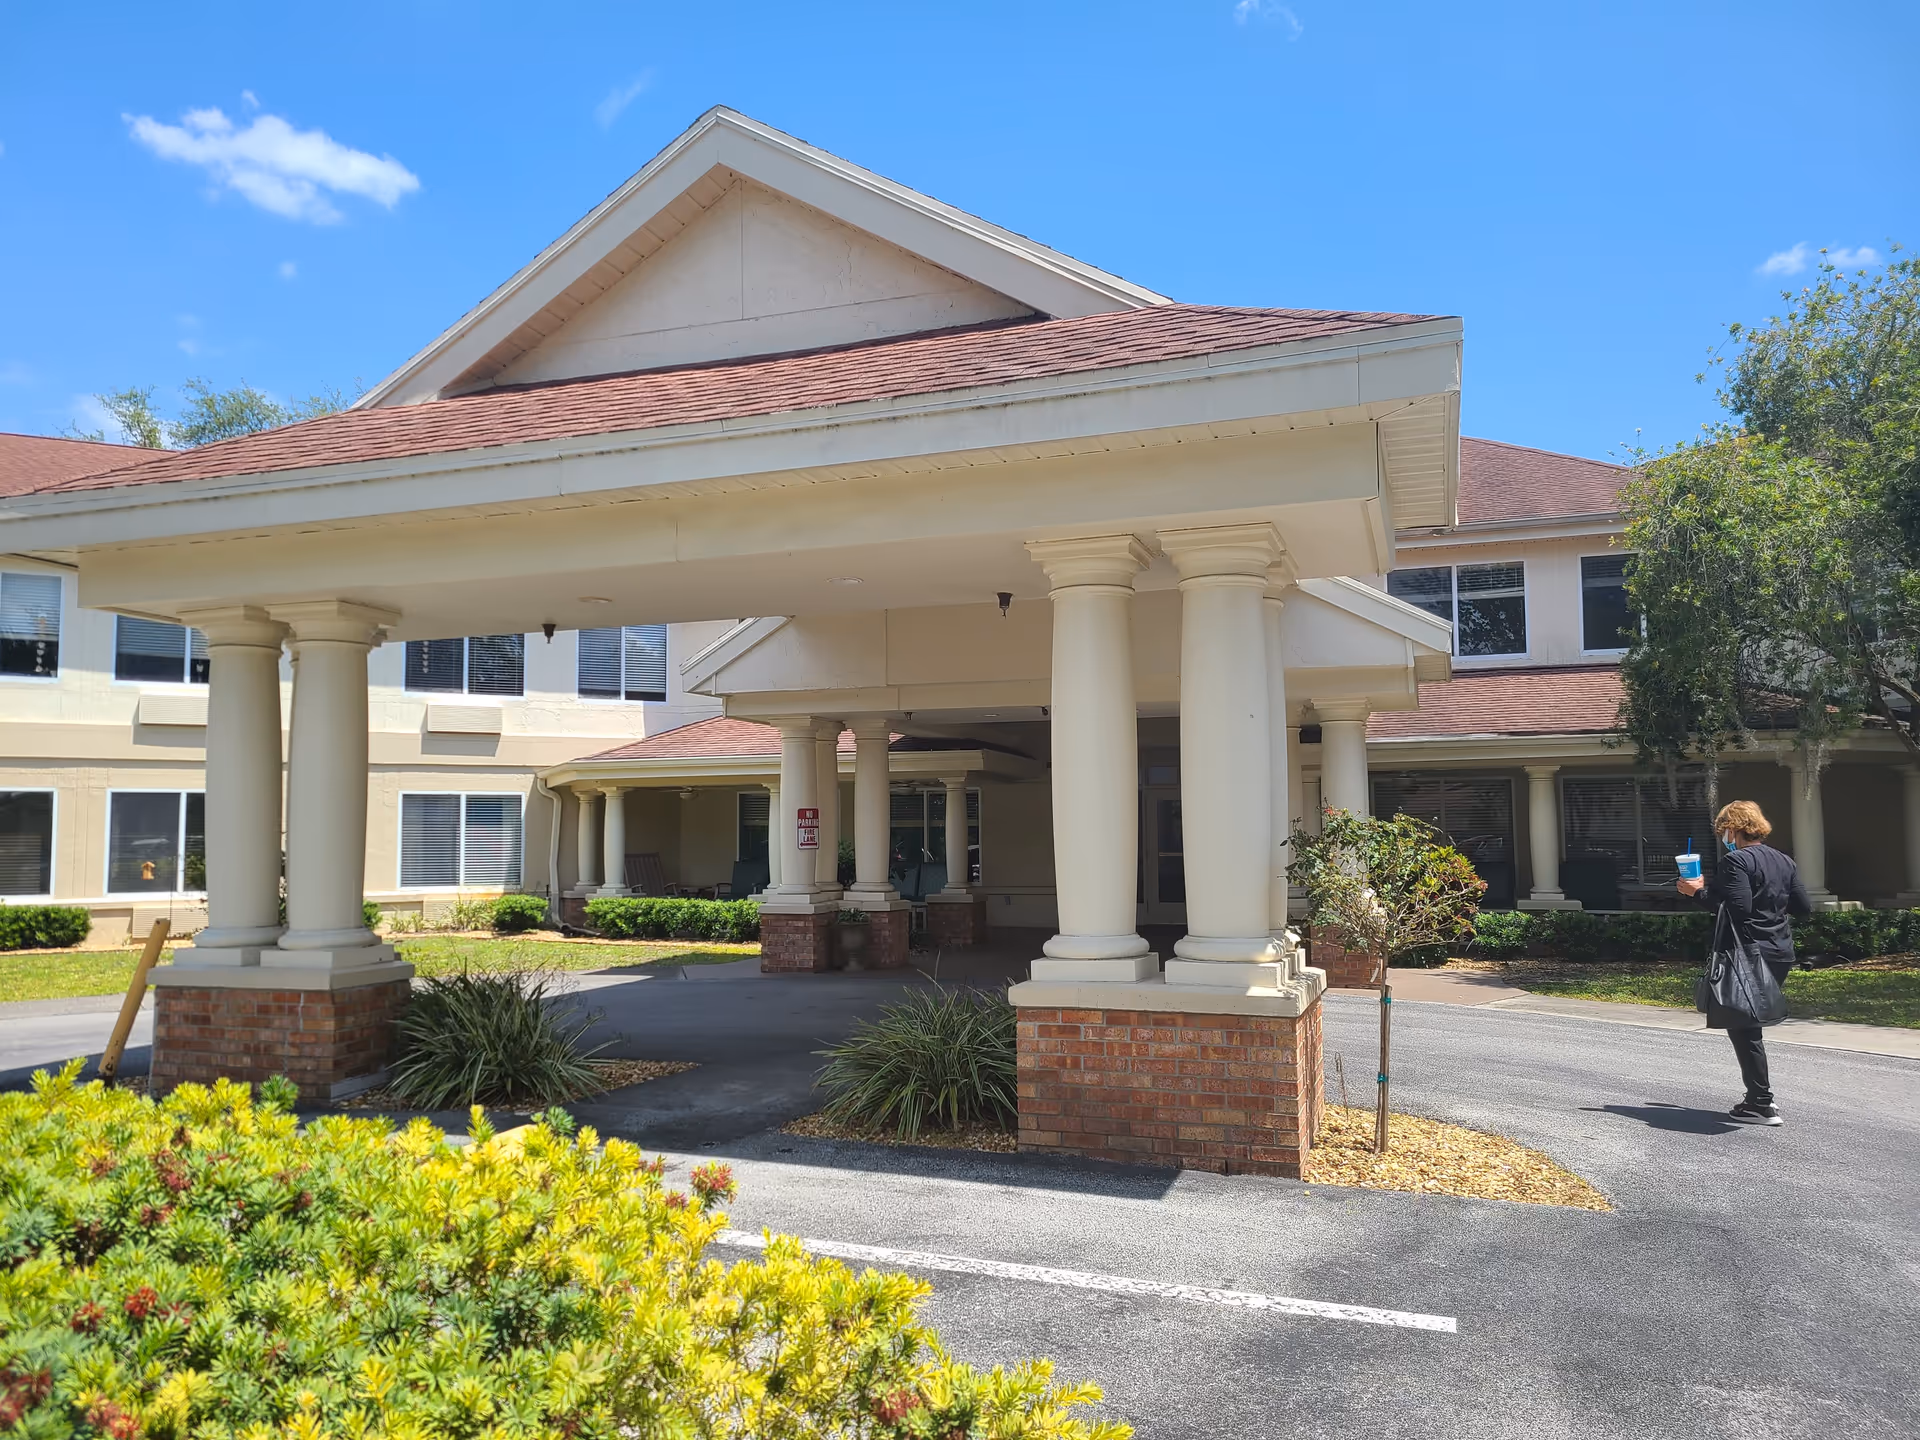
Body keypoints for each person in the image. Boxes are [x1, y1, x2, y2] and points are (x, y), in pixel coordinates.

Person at [1676, 800, 1809, 1126]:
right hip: (1780, 952)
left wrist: (1697, 894)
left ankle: (1761, 1103)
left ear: (1733, 829)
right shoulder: (1784, 861)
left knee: (1744, 1026)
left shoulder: (1736, 861)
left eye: (1725, 830)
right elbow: (1803, 907)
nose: (1725, 836)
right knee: (1748, 1025)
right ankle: (1759, 1100)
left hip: (1749, 953)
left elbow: (1738, 909)